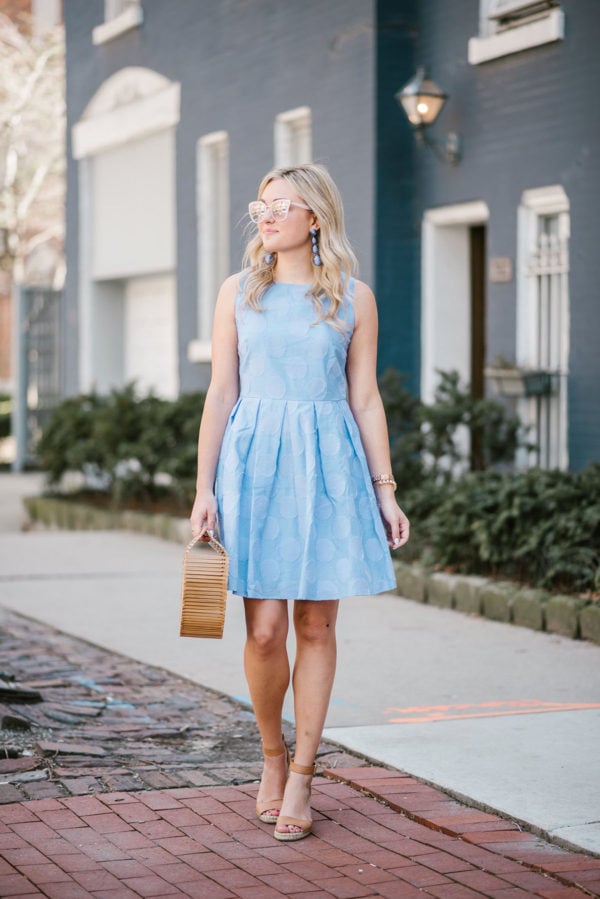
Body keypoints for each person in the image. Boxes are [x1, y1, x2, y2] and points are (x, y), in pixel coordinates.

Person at [190, 163, 410, 841]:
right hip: (253, 466)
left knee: (316, 626)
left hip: (329, 467)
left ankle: (306, 774)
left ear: (316, 217)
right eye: (261, 205)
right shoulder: (238, 292)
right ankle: (271, 756)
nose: (267, 214)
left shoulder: (352, 296)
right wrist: (203, 486)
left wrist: (386, 489)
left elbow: (364, 397)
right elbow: (221, 392)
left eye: (283, 204)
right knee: (263, 631)